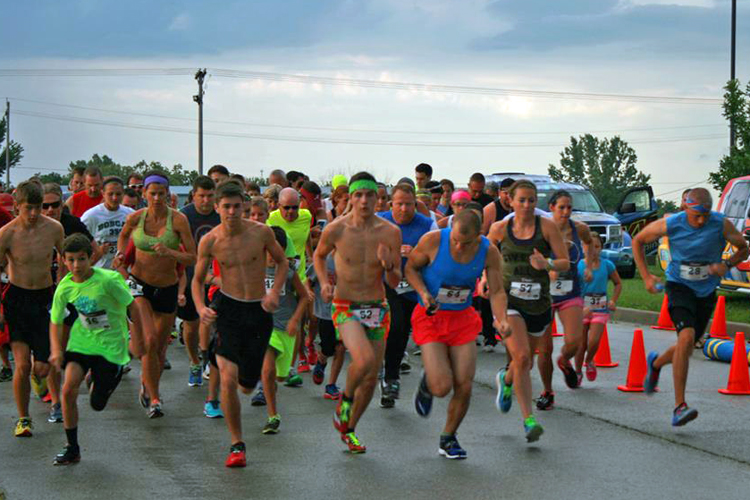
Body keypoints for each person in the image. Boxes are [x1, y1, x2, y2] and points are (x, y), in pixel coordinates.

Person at [192, 180, 289, 468]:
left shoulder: (261, 233)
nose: (232, 212)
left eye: (237, 207)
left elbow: (283, 263)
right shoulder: (210, 240)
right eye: (226, 207)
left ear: (244, 207)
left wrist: (273, 292)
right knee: (228, 376)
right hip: (228, 309)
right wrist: (201, 308)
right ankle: (237, 445)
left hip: (258, 311)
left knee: (247, 386)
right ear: (217, 207)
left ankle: (250, 383)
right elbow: (197, 280)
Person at [634, 188, 748, 426]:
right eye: (697, 215)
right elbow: (638, 241)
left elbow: (743, 248)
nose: (702, 220)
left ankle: (655, 364)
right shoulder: (672, 223)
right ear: (686, 208)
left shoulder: (719, 223)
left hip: (706, 291)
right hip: (678, 286)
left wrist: (726, 265)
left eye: (706, 215)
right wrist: (646, 277)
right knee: (686, 339)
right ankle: (679, 406)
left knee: (685, 346)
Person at [407, 210, 510, 458]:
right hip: (430, 316)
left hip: (462, 319)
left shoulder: (489, 251)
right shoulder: (433, 240)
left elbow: (496, 291)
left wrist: (501, 319)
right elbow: (410, 268)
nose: (458, 245)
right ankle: (429, 381)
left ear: (478, 237)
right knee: (442, 387)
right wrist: (422, 293)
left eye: (465, 243)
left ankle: (448, 438)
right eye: (455, 239)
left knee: (464, 383)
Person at [313, 172, 401, 454]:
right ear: (349, 198)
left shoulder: (390, 232)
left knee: (371, 376)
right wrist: (325, 281)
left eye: (370, 195)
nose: (364, 201)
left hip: (377, 307)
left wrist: (389, 266)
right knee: (361, 361)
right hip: (345, 306)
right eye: (358, 195)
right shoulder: (336, 229)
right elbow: (318, 255)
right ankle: (345, 400)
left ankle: (349, 429)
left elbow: (395, 281)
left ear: (378, 198)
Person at [48, 234, 142, 465]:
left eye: (81, 259)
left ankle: (104, 377)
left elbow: (134, 308)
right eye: (70, 260)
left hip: (111, 345)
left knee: (97, 404)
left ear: (91, 258)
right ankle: (72, 447)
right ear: (63, 261)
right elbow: (55, 321)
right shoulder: (65, 287)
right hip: (82, 342)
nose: (76, 265)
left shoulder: (108, 280)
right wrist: (56, 349)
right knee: (68, 389)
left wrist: (137, 340)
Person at [487, 179, 569, 442]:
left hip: (540, 303)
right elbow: (483, 258)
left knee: (525, 361)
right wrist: (483, 280)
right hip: (508, 300)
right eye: (521, 200)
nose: (526, 205)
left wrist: (546, 263)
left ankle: (506, 378)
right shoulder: (499, 229)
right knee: (522, 357)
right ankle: (528, 420)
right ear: (510, 201)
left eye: (531, 201)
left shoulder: (547, 227)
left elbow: (565, 262)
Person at [114, 171, 196, 418]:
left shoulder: (179, 221)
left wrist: (170, 253)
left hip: (167, 287)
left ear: (169, 195)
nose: (157, 198)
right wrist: (120, 258)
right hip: (140, 286)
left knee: (159, 349)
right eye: (153, 193)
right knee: (149, 342)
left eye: (162, 194)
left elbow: (192, 257)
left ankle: (147, 384)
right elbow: (123, 237)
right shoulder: (136, 218)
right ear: (144, 194)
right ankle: (156, 399)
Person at [0, 181, 64, 437]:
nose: (36, 213)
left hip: (45, 299)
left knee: (43, 366)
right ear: (17, 207)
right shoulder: (7, 233)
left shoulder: (54, 229)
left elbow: (66, 259)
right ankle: (24, 419)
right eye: (29, 208)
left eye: (38, 208)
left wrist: (64, 287)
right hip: (17, 299)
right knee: (23, 365)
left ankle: (41, 381)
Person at [376, 183, 437, 408]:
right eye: (399, 204)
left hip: (417, 285)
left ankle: (421, 375)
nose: (403, 209)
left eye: (408, 204)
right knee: (398, 327)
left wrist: (418, 254)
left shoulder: (427, 224)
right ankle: (390, 378)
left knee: (420, 334)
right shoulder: (379, 221)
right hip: (387, 285)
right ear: (392, 203)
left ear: (415, 204)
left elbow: (436, 255)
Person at [534, 190, 594, 410]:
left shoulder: (580, 229)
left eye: (569, 207)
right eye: (561, 207)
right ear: (552, 207)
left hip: (570, 292)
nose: (566, 212)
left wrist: (588, 265)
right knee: (545, 348)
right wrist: (546, 268)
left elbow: (589, 243)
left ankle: (564, 360)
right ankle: (547, 391)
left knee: (575, 340)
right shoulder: (540, 230)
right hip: (543, 295)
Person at [260, 226, 309, 434]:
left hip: (285, 327)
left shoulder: (288, 272)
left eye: (276, 251)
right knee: (267, 369)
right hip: (263, 327)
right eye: (268, 251)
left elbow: (304, 297)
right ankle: (273, 416)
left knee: (278, 377)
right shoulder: (254, 270)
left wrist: (295, 320)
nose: (272, 256)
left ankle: (273, 385)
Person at [177, 176, 220, 388]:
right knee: (191, 326)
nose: (206, 200)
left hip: (215, 280)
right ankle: (194, 362)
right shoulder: (183, 216)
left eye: (210, 196)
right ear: (193, 195)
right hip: (190, 277)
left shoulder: (220, 216)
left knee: (210, 323)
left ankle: (207, 362)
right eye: (201, 196)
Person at [575, 233, 621, 380]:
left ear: (601, 248)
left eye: (597, 246)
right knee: (581, 345)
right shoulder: (579, 266)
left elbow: (618, 283)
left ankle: (589, 361)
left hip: (600, 309)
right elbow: (572, 289)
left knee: (594, 341)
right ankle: (577, 372)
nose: (593, 250)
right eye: (589, 246)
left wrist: (613, 300)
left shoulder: (607, 265)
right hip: (581, 310)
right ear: (583, 247)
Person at [81, 176, 134, 269]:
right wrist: (97, 252)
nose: (114, 198)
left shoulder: (130, 214)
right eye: (110, 194)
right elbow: (79, 242)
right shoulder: (91, 216)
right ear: (103, 193)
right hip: (100, 269)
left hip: (124, 270)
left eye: (118, 194)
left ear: (123, 194)